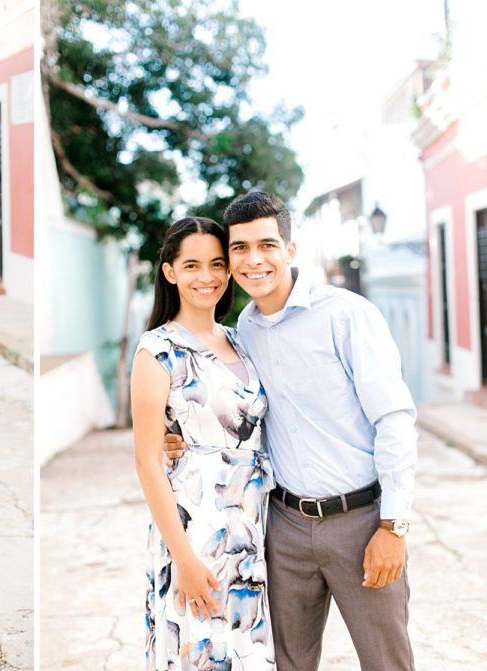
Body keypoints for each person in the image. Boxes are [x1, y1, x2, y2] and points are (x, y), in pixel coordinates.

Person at [163, 192, 417, 670]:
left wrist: (393, 525)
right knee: (286, 663)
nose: (253, 259)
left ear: (290, 250)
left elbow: (395, 419)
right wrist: (174, 433)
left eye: (267, 245)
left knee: (387, 662)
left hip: (361, 522)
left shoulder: (346, 315)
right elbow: (231, 411)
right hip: (283, 527)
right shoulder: (245, 328)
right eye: (239, 248)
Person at [131, 217, 276, 670]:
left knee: (248, 654)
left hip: (253, 527)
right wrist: (185, 559)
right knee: (202, 653)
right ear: (170, 272)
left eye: (216, 263)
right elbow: (148, 462)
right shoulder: (158, 351)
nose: (207, 276)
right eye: (191, 265)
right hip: (197, 528)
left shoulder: (242, 341)